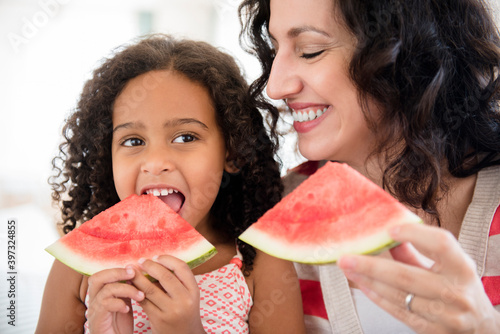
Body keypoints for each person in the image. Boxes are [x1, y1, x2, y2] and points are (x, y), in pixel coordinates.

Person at [239, 0, 500, 333]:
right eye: (275, 49)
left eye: (310, 50)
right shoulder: (274, 214)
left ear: (405, 51)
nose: (275, 87)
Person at [36, 34, 305, 334]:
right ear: (105, 156)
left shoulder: (260, 267)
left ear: (232, 152)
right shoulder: (77, 270)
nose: (155, 162)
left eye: (185, 137)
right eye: (134, 141)